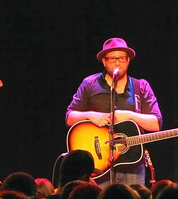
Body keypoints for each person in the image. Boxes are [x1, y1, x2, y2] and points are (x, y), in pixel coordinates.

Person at [66, 38, 162, 186]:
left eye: (121, 58)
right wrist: (90, 115)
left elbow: (156, 124)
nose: (117, 63)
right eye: (112, 59)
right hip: (99, 165)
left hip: (132, 164)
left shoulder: (141, 86)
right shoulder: (89, 83)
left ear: (128, 60)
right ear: (104, 62)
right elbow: (70, 117)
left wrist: (129, 115)